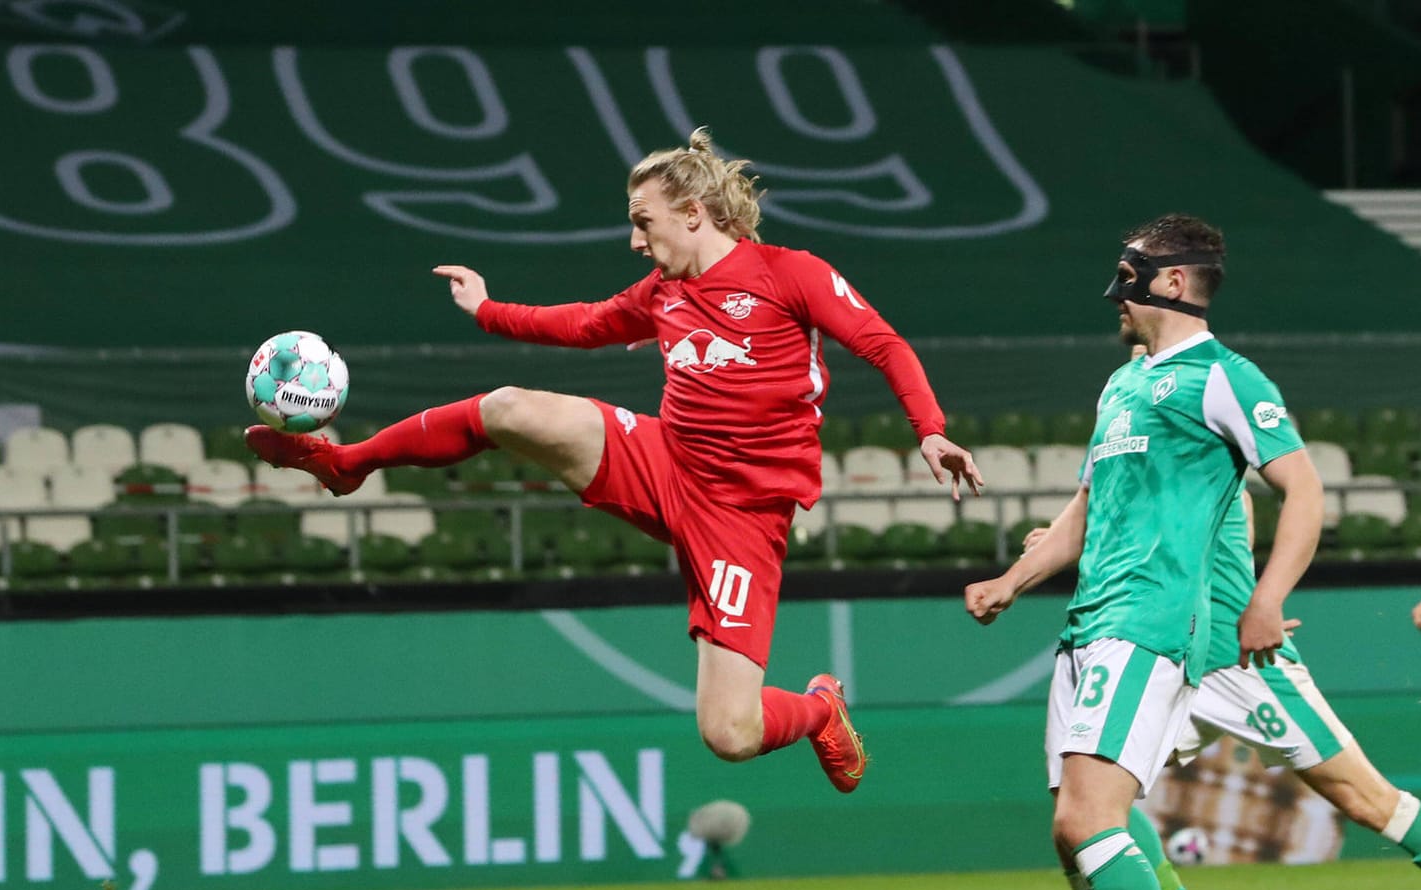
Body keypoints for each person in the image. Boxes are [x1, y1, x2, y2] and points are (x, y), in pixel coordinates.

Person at [246, 128, 982, 789]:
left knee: (730, 734)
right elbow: (586, 323)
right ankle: (349, 464)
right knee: (508, 406)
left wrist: (930, 428)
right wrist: (488, 310)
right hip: (664, 458)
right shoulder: (662, 292)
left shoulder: (790, 275)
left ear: (693, 212)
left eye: (643, 222)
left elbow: (883, 342)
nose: (635, 239)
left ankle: (820, 711)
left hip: (741, 515)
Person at [964, 213, 1323, 890]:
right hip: (1088, 623)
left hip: (1152, 623)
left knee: (1088, 820)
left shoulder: (1225, 378)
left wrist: (1267, 598)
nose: (1113, 293)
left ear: (1166, 281)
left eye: (1125, 273)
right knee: (1072, 835)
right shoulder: (1122, 387)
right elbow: (1085, 511)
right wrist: (1014, 581)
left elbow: (1303, 489)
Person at [1025, 487, 1421, 890]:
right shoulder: (1158, 464)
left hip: (1242, 667)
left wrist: (1081, 540)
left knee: (1369, 801)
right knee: (1086, 797)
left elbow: (1177, 546)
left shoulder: (1213, 469)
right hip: (1172, 663)